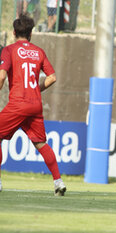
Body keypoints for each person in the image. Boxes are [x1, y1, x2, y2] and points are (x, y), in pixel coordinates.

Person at [0, 14, 66, 196]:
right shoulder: (39, 52)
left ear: (14, 32)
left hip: (18, 103)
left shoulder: (9, 50)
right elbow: (52, 77)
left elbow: (2, 77)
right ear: (31, 33)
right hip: (35, 104)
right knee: (41, 143)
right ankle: (58, 182)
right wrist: (35, 90)